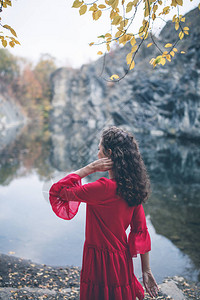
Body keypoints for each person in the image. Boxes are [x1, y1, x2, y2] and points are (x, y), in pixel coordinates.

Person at [49, 126, 159, 300]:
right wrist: (146, 270)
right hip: (122, 261)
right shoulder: (133, 189)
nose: (97, 153)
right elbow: (140, 231)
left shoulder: (102, 189)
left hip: (98, 262)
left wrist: (89, 169)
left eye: (98, 149)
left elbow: (58, 191)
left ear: (108, 153)